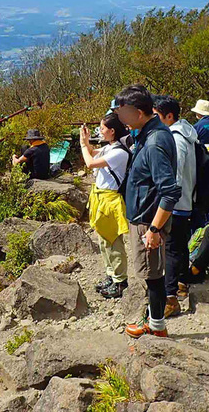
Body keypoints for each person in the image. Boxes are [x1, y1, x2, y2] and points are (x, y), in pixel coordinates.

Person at [113, 85, 181, 339]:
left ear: (140, 112)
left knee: (152, 275)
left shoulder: (154, 142)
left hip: (147, 219)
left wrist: (154, 229)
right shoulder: (148, 132)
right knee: (150, 273)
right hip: (144, 214)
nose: (119, 118)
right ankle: (153, 320)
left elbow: (170, 191)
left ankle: (157, 327)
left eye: (122, 113)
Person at [153, 95, 197, 317]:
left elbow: (175, 176)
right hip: (185, 199)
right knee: (179, 246)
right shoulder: (186, 134)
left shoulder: (176, 139)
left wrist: (165, 202)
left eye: (157, 116)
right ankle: (181, 283)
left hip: (175, 202)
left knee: (171, 249)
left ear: (169, 116)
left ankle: (170, 298)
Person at [80, 114, 131, 300]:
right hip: (100, 198)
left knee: (113, 242)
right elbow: (93, 154)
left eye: (102, 128)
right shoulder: (110, 148)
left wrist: (83, 144)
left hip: (110, 200)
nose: (100, 132)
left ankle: (120, 281)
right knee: (103, 241)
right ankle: (111, 276)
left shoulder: (120, 152)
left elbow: (90, 162)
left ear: (112, 131)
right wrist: (85, 142)